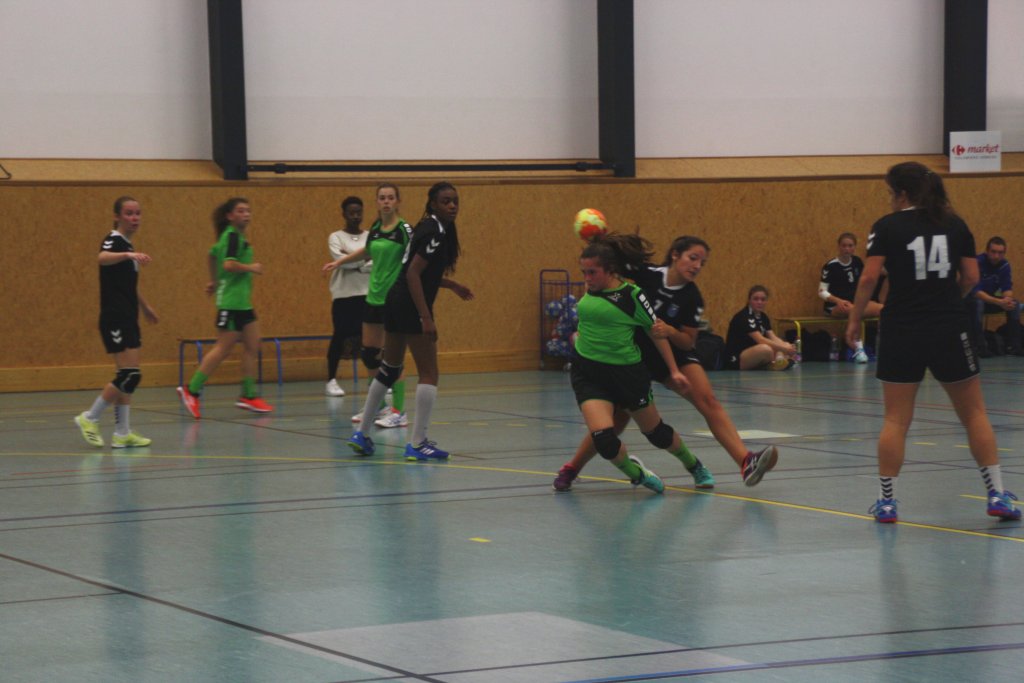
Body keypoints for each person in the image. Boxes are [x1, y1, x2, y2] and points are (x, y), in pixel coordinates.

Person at [846, 161, 1019, 523]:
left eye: (891, 193)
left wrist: (855, 319)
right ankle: (996, 494)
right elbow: (970, 276)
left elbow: (868, 278)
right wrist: (946, 299)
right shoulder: (954, 224)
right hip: (948, 327)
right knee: (974, 414)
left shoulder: (886, 226)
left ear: (902, 193)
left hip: (901, 328)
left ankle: (888, 502)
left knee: (896, 420)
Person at [553, 236, 778, 491]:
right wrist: (597, 236)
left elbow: (687, 342)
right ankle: (572, 468)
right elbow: (607, 264)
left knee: (708, 401)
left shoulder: (692, 297)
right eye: (692, 258)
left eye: (702, 262)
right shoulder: (648, 275)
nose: (697, 266)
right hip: (631, 357)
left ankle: (745, 461)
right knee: (612, 424)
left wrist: (670, 335)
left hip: (670, 351)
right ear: (675, 255)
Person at [551, 232, 700, 494]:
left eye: (592, 272)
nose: (587, 278)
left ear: (610, 270)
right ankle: (639, 475)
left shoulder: (632, 295)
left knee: (657, 434)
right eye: (584, 272)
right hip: (589, 373)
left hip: (627, 374)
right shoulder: (591, 290)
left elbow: (657, 333)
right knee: (604, 440)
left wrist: (674, 371)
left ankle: (694, 465)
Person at [347, 182, 473, 460]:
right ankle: (417, 443)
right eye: (445, 201)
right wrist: (425, 317)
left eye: (455, 201)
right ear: (433, 204)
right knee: (429, 373)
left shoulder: (429, 228)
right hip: (409, 305)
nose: (452, 205)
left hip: (394, 300)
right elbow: (414, 274)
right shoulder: (433, 231)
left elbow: (419, 273)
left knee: (389, 368)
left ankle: (362, 433)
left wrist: (451, 285)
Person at [323, 183, 413, 427]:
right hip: (373, 297)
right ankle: (379, 406)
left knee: (392, 356)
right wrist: (339, 262)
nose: (386, 202)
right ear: (377, 202)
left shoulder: (404, 229)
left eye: (390, 198)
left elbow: (414, 259)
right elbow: (367, 251)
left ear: (398, 201)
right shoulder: (376, 228)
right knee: (369, 354)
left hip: (393, 298)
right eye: (382, 198)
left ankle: (399, 411)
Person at [177, 197, 273, 418]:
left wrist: (214, 280)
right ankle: (192, 390)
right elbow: (228, 264)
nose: (246, 214)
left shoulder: (231, 236)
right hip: (231, 303)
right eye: (240, 211)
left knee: (253, 345)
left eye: (248, 210)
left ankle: (248, 394)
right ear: (230, 216)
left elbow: (211, 255)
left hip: (243, 303)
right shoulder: (231, 236)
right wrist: (251, 268)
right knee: (223, 348)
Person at [74, 196, 158, 448]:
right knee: (129, 375)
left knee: (130, 377)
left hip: (129, 316)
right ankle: (90, 417)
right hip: (115, 317)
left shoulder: (128, 247)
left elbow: (129, 285)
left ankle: (122, 433)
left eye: (138, 213)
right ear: (117, 216)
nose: (134, 218)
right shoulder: (114, 240)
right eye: (129, 213)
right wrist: (128, 254)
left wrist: (145, 307)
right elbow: (102, 257)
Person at [324, 196, 370, 397]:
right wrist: (364, 258)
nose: (355, 216)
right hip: (344, 295)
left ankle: (377, 380)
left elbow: (378, 262)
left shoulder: (371, 237)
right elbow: (340, 261)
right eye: (351, 213)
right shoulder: (335, 237)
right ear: (344, 214)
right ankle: (331, 380)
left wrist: (351, 258)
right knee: (340, 336)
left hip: (367, 293)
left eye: (358, 212)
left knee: (370, 338)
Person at [819, 231, 882, 363]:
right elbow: (821, 292)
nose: (847, 249)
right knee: (854, 312)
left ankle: (883, 345)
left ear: (854, 247)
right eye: (844, 246)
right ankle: (858, 348)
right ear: (839, 247)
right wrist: (838, 301)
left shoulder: (857, 262)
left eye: (850, 246)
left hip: (856, 303)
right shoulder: (831, 266)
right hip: (836, 306)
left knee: (882, 309)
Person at [967, 236, 1023, 357]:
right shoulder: (977, 262)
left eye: (1000, 252)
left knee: (1015, 304)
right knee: (978, 303)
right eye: (993, 252)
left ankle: (1014, 346)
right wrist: (998, 302)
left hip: (991, 300)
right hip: (973, 300)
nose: (996, 256)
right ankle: (980, 347)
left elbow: (1007, 288)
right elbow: (976, 292)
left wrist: (1007, 300)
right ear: (987, 251)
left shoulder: (1004, 265)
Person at [723, 286, 798, 370]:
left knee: (784, 344)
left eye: (763, 299)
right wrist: (784, 349)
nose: (759, 302)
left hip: (755, 353)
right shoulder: (744, 316)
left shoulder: (763, 316)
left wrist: (787, 347)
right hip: (736, 358)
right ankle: (775, 361)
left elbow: (772, 337)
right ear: (749, 300)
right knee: (766, 349)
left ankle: (775, 362)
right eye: (756, 299)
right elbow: (760, 340)